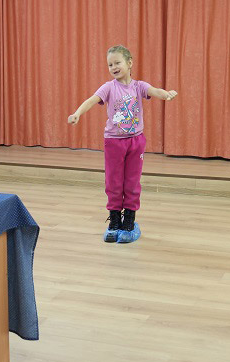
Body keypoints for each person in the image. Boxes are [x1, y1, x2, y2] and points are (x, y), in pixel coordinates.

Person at [68, 45, 178, 243]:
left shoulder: (139, 86)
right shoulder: (109, 87)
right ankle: (114, 221)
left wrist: (166, 94)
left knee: (132, 182)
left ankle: (129, 220)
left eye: (117, 63)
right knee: (113, 182)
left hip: (136, 141)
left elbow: (154, 91)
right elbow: (92, 100)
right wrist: (77, 113)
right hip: (114, 142)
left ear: (129, 63)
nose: (113, 67)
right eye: (110, 64)